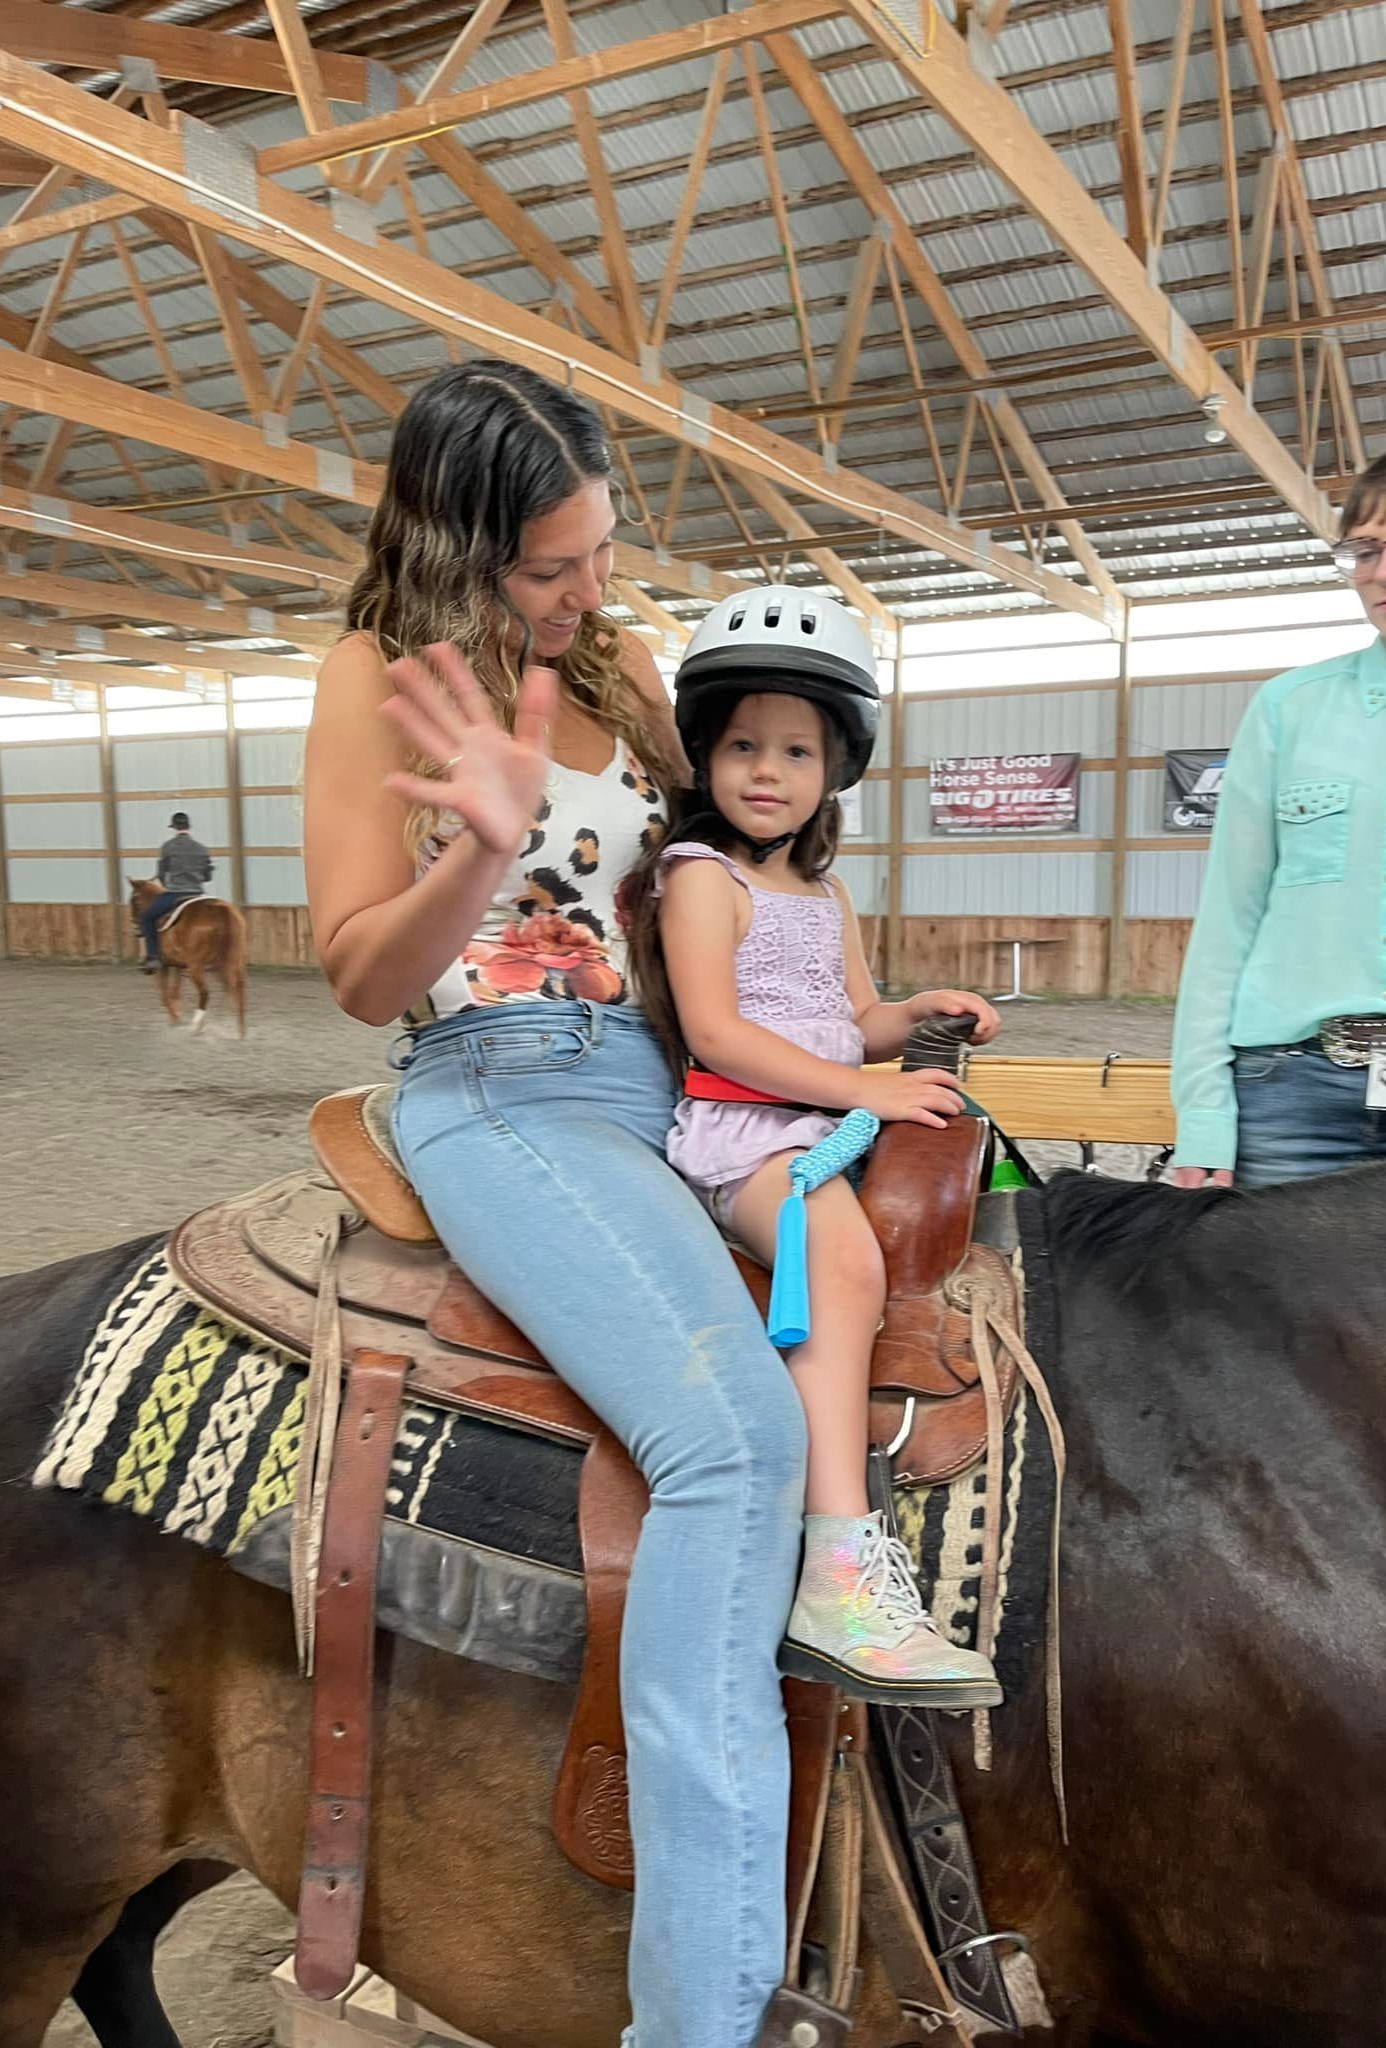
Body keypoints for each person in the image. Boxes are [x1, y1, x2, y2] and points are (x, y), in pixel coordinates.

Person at [302, 359, 815, 2048]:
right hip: (503, 1085)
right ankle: (696, 2013)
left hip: (669, 1074)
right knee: (732, 1443)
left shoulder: (615, 659)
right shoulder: (373, 680)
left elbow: (732, 845)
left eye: (600, 548)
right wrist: (478, 849)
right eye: (550, 566)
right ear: (459, 543)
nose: (590, 586)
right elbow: (360, 978)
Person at [623, 587, 1002, 1710]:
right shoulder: (703, 877)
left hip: (827, 1108)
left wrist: (919, 1009)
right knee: (838, 1251)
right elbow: (720, 1032)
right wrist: (866, 1088)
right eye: (743, 745)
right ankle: (839, 1560)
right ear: (706, 754)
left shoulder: (823, 888)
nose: (767, 770)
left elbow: (855, 1013)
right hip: (747, 1128)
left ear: (834, 766)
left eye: (795, 749)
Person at [1171, 435, 1386, 1190]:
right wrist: (1204, 1118)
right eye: (1364, 551)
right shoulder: (1288, 709)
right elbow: (1229, 922)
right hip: (1290, 1096)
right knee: (1268, 1310)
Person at [137, 810, 214, 972]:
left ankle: (153, 957)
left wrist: (167, 885)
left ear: (174, 828)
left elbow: (162, 875)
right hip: (197, 894)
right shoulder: (202, 848)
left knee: (146, 917)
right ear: (188, 827)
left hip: (175, 893)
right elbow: (207, 877)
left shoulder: (167, 847)